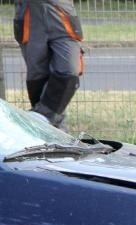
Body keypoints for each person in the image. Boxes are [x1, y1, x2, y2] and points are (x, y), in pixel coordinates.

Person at [12, 0, 83, 129]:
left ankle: (41, 118)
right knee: (38, 77)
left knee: (69, 70)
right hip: (28, 13)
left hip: (61, 12)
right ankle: (54, 135)